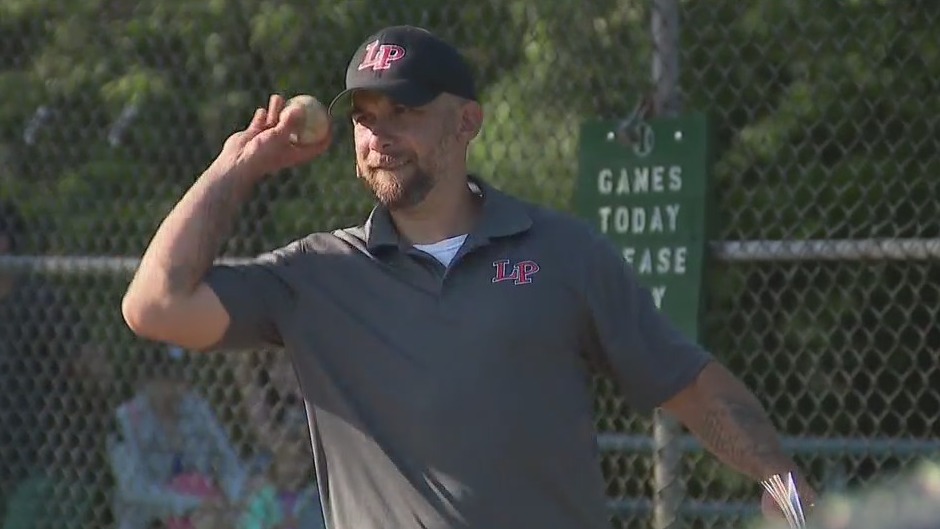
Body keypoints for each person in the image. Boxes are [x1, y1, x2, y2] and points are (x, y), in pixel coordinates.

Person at [121, 24, 818, 529]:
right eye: (364, 117)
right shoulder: (314, 276)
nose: (378, 134)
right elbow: (155, 304)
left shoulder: (563, 253)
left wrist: (782, 481)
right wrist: (237, 166)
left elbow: (688, 382)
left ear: (467, 122)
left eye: (404, 111)